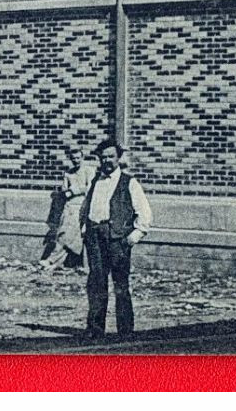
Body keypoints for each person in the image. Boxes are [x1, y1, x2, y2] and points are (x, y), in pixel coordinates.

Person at [79, 138, 153, 340]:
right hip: (95, 238)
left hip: (118, 241)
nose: (107, 161)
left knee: (120, 285)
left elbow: (144, 213)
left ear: (119, 158)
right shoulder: (95, 181)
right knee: (96, 283)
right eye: (103, 157)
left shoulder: (130, 183)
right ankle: (95, 329)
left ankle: (125, 331)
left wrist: (134, 236)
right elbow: (87, 207)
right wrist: (86, 229)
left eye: (111, 156)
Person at [40, 145, 98, 270]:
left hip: (81, 207)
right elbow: (64, 190)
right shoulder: (69, 173)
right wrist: (68, 192)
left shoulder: (89, 170)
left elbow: (91, 189)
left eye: (78, 158)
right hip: (69, 207)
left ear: (82, 157)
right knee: (65, 233)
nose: (76, 161)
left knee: (69, 235)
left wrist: (75, 190)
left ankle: (52, 260)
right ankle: (55, 262)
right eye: (73, 159)